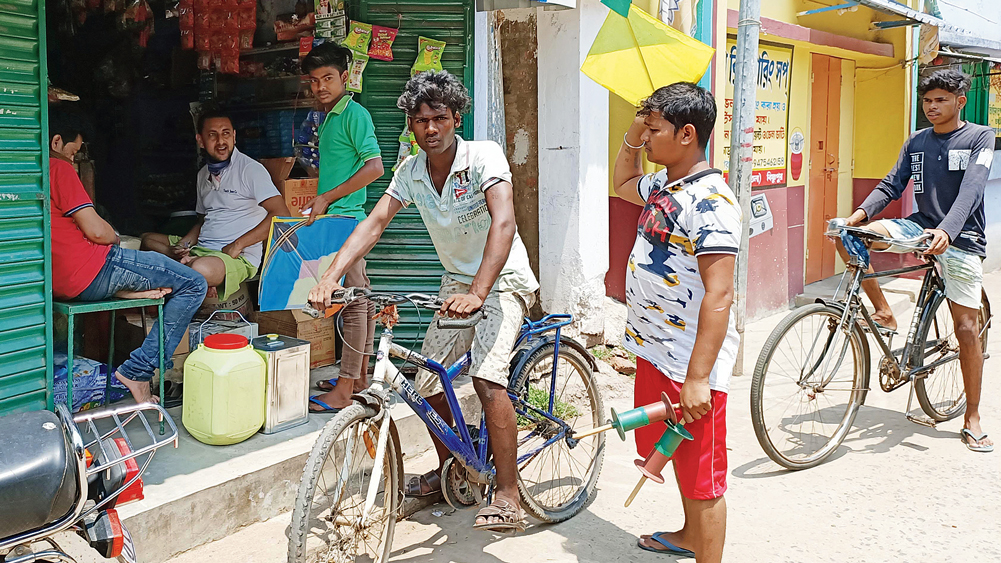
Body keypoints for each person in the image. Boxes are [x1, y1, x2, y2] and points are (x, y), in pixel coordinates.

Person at [307, 70, 539, 532]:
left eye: (438, 118)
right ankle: (452, 468)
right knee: (428, 384)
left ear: (457, 117)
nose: (430, 129)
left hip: (503, 280)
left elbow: (504, 224)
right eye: (419, 120)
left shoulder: (483, 157)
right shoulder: (410, 171)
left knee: (488, 380)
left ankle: (509, 492)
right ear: (409, 126)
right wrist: (330, 276)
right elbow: (374, 223)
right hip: (456, 284)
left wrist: (478, 293)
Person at [612, 82, 739, 563]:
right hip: (658, 351)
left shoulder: (712, 203)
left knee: (704, 476)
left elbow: (720, 293)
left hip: (691, 361)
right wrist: (636, 125)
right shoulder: (667, 186)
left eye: (655, 129)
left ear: (687, 134)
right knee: (675, 452)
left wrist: (699, 378)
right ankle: (689, 536)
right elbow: (624, 181)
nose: (646, 138)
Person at [836, 69, 994, 453]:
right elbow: (892, 183)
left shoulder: (979, 137)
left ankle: (972, 415)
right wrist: (857, 216)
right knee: (849, 238)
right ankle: (883, 310)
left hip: (962, 237)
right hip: (920, 226)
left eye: (941, 100)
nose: (933, 107)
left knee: (967, 328)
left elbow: (972, 190)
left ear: (960, 101)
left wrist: (949, 232)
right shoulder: (917, 141)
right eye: (927, 101)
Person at [49, 108, 208, 404]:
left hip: (62, 283)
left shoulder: (27, 176)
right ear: (56, 141)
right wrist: (114, 235)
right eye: (73, 152)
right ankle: (137, 371)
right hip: (92, 270)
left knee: (153, 276)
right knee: (193, 284)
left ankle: (131, 292)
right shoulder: (57, 168)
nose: (73, 159)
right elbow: (98, 233)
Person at [300, 43, 385, 412]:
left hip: (349, 219)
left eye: (328, 78)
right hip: (341, 217)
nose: (321, 87)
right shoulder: (330, 117)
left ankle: (345, 390)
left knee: (351, 304)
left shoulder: (354, 114)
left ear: (345, 77)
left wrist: (326, 198)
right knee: (361, 300)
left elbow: (375, 168)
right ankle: (359, 376)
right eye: (315, 81)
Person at [141, 109, 289, 302]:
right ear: (200, 140)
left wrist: (238, 245)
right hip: (201, 248)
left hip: (235, 257)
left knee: (200, 269)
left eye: (226, 133)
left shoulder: (250, 170)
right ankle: (183, 264)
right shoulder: (203, 175)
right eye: (212, 135)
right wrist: (183, 245)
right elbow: (203, 220)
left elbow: (282, 214)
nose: (221, 141)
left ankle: (184, 271)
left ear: (234, 136)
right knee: (146, 240)